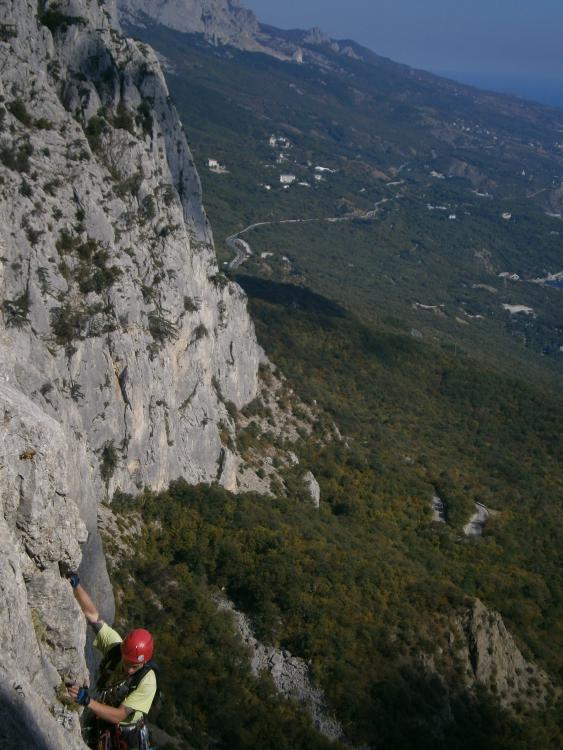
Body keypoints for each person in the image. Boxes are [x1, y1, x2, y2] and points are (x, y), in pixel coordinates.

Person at [66, 572, 156, 749]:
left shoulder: (147, 681)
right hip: (102, 721)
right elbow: (94, 617)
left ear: (144, 662)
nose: (129, 669)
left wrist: (87, 701)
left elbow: (120, 715)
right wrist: (77, 586)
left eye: (135, 666)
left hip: (125, 736)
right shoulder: (117, 648)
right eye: (127, 662)